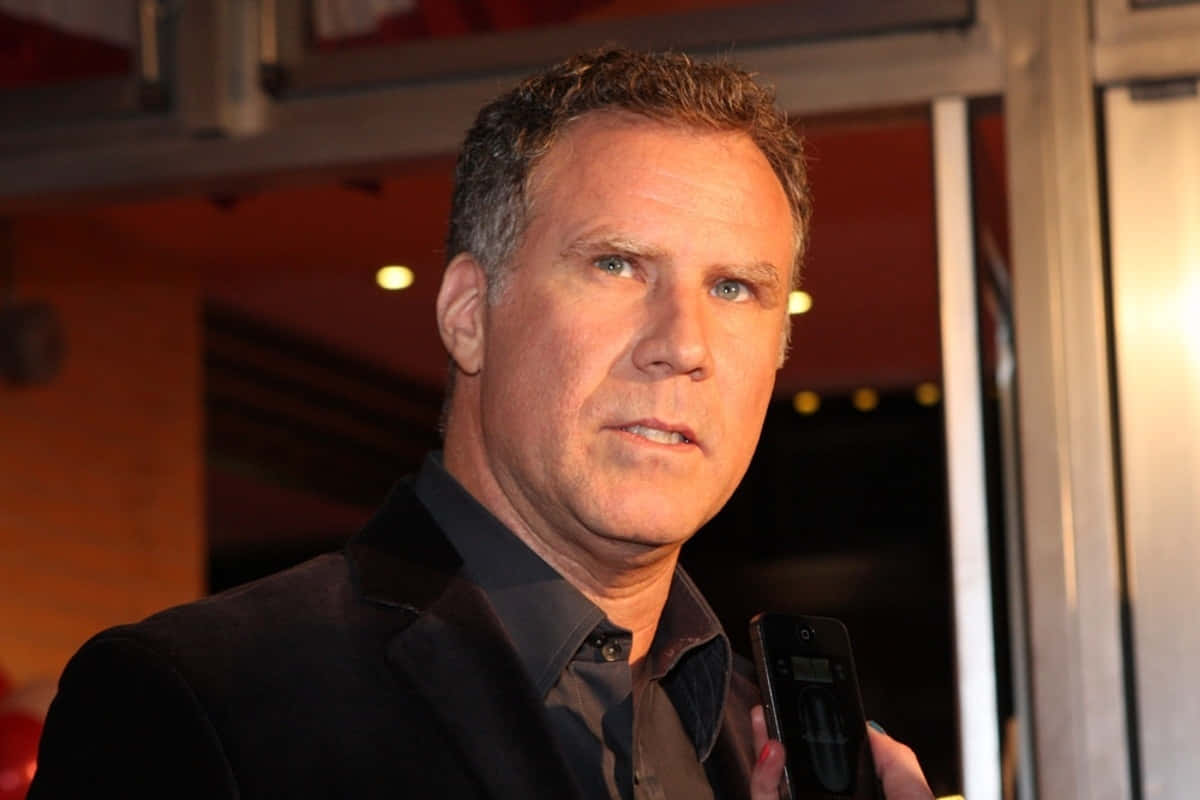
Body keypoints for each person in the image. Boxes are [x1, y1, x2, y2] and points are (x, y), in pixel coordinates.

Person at [29, 48, 933, 799]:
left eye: (734, 288)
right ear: (468, 312)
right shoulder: (201, 701)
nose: (682, 344)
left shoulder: (757, 735)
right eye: (617, 265)